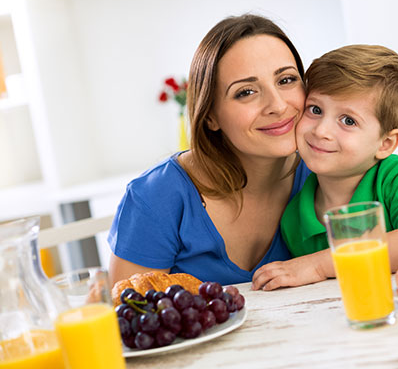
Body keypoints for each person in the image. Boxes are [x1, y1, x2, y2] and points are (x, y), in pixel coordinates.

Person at [108, 14, 311, 286]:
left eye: (286, 80)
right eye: (246, 92)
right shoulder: (157, 197)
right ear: (210, 116)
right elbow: (130, 315)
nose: (277, 105)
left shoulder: (327, 169)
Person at [252, 45, 398, 291]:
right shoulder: (294, 217)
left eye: (348, 121)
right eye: (315, 110)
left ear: (385, 143)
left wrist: (320, 265)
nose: (321, 130)